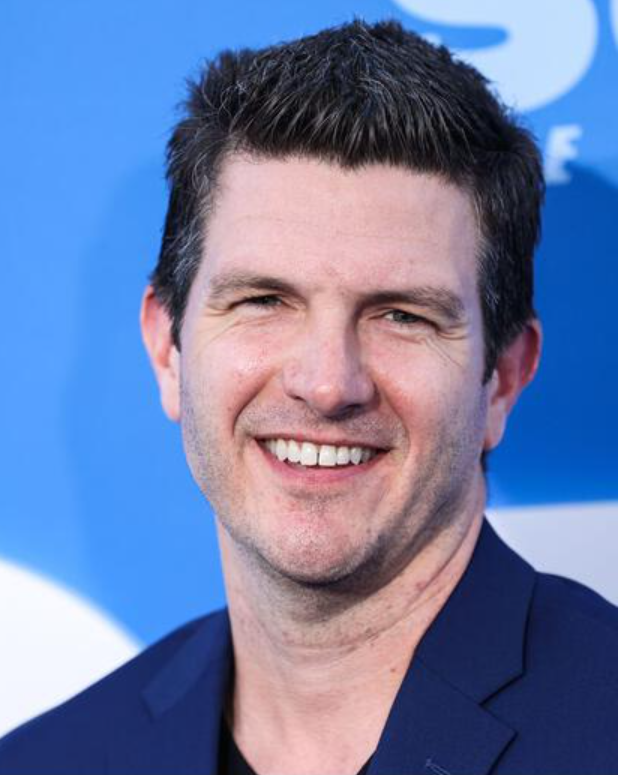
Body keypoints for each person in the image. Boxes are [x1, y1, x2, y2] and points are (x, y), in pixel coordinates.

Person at [2, 18, 618, 775]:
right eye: (263, 300)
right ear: (167, 349)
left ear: (505, 378)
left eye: (403, 315)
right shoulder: (48, 760)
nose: (328, 384)